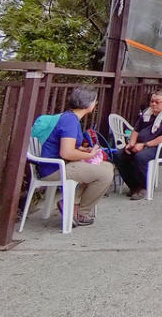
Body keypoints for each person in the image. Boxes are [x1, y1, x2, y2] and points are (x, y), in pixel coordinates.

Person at [38, 87, 113, 227]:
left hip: (58, 165)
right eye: (95, 101)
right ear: (89, 104)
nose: (95, 104)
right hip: (55, 168)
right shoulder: (70, 121)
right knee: (105, 175)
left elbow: (69, 146)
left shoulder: (69, 117)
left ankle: (72, 203)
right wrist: (89, 154)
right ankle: (80, 211)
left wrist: (84, 149)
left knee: (107, 166)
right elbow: (66, 153)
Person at [114, 87, 162, 200]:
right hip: (141, 144)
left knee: (140, 157)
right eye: (152, 101)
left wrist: (144, 145)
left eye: (157, 102)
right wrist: (131, 143)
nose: (153, 104)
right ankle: (135, 186)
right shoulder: (146, 112)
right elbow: (136, 129)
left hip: (161, 148)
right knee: (119, 155)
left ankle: (145, 186)